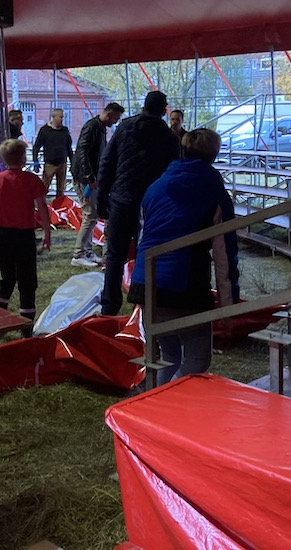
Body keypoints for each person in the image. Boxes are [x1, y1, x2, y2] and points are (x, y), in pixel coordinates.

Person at [128, 128, 240, 384]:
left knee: (169, 355)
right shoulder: (213, 191)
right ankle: (165, 400)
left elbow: (143, 237)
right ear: (214, 155)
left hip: (145, 283)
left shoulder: (155, 187)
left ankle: (156, 399)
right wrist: (228, 305)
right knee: (198, 358)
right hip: (185, 285)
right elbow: (224, 252)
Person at [96, 90, 180, 315]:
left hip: (122, 200)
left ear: (144, 107)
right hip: (153, 205)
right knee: (151, 254)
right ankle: (144, 305)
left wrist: (101, 200)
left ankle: (109, 307)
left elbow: (107, 163)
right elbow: (174, 174)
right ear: (164, 112)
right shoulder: (169, 138)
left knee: (115, 255)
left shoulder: (125, 128)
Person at [0, 138, 51, 337]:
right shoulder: (31, 180)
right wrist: (47, 233)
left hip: (3, 235)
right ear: (23, 159)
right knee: (27, 281)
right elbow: (42, 208)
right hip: (25, 236)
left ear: (4, 159)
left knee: (7, 279)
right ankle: (26, 329)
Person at [70, 102, 125, 267]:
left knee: (91, 215)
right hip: (85, 179)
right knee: (90, 215)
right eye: (116, 118)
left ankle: (86, 251)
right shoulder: (92, 127)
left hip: (89, 178)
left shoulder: (99, 128)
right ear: (110, 114)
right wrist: (89, 177)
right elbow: (82, 152)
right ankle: (79, 254)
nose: (115, 122)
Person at [32, 108, 73, 199]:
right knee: (44, 188)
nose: (62, 119)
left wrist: (72, 162)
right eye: (60, 117)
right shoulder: (45, 130)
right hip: (50, 164)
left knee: (61, 189)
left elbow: (68, 147)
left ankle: (59, 205)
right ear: (54, 117)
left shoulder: (64, 130)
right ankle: (39, 205)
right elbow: (37, 146)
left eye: (63, 117)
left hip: (62, 163)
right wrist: (35, 160)